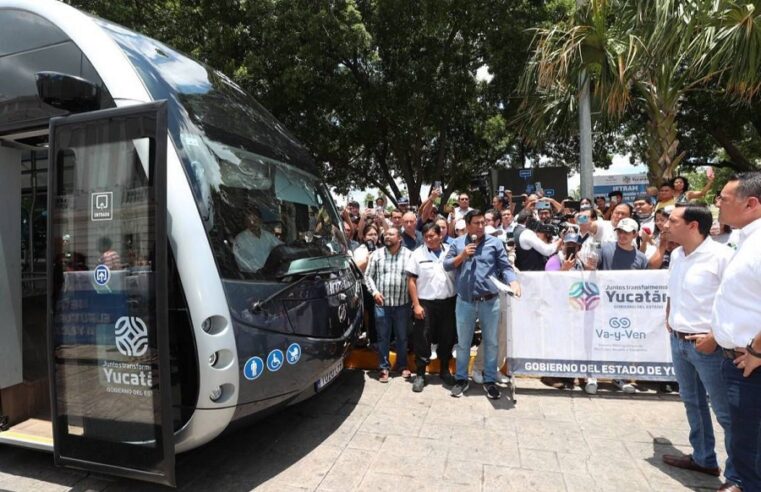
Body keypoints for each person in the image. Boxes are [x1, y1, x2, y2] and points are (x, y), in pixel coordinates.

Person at [659, 205, 739, 488]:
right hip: (679, 342)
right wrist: (670, 315)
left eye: (672, 220)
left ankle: (739, 476)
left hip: (709, 347)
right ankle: (704, 458)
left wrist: (715, 337)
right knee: (692, 402)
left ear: (693, 226)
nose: (666, 224)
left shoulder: (723, 256)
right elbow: (673, 290)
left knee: (727, 412)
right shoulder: (678, 254)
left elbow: (737, 301)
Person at [711, 172, 761, 491]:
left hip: (751, 365)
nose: (717, 204)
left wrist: (757, 350)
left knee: (752, 452)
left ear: (751, 203)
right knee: (743, 445)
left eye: (724, 199)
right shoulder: (745, 239)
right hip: (737, 361)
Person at [444, 210, 521, 400]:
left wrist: (513, 281)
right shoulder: (457, 243)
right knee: (463, 343)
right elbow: (446, 265)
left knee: (492, 342)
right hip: (465, 302)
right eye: (476, 223)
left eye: (482, 223)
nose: (480, 227)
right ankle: (461, 379)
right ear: (468, 225)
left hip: (490, 301)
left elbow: (504, 267)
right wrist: (462, 256)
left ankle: (489, 381)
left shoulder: (494, 243)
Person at [587, 217, 647, 394]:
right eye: (620, 232)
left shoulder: (642, 258)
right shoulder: (605, 249)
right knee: (598, 338)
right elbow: (591, 268)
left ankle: (619, 376)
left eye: (626, 232)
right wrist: (590, 266)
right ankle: (592, 376)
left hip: (627, 307)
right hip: (602, 303)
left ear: (635, 234)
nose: (622, 235)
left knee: (622, 341)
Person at [406, 223, 457, 391]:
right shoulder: (417, 254)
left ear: (440, 235)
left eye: (432, 236)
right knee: (422, 338)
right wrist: (416, 305)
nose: (429, 239)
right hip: (425, 303)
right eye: (426, 236)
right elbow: (411, 281)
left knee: (447, 336)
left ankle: (444, 370)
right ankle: (420, 374)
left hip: (448, 302)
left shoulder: (451, 250)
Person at [364, 226, 413, 382]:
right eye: (386, 234)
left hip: (402, 304)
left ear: (399, 238)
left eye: (391, 234)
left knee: (402, 337)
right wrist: (375, 292)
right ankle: (384, 367)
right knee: (383, 337)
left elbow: (414, 279)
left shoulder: (409, 255)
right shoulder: (377, 255)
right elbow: (368, 276)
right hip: (382, 304)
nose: (387, 236)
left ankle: (402, 365)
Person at [234, 207, 282, 272]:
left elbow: (281, 248)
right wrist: (258, 270)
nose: (253, 222)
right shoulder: (240, 239)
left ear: (260, 220)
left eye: (255, 219)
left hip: (269, 274)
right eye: (249, 219)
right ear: (245, 222)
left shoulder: (268, 236)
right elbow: (241, 262)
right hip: (251, 277)